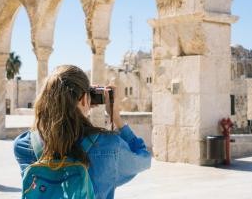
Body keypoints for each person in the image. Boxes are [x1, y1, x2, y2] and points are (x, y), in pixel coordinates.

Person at [13, 65, 151, 199]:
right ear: (85, 99)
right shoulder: (109, 147)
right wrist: (116, 117)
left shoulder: (24, 145)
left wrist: (81, 102)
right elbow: (144, 158)